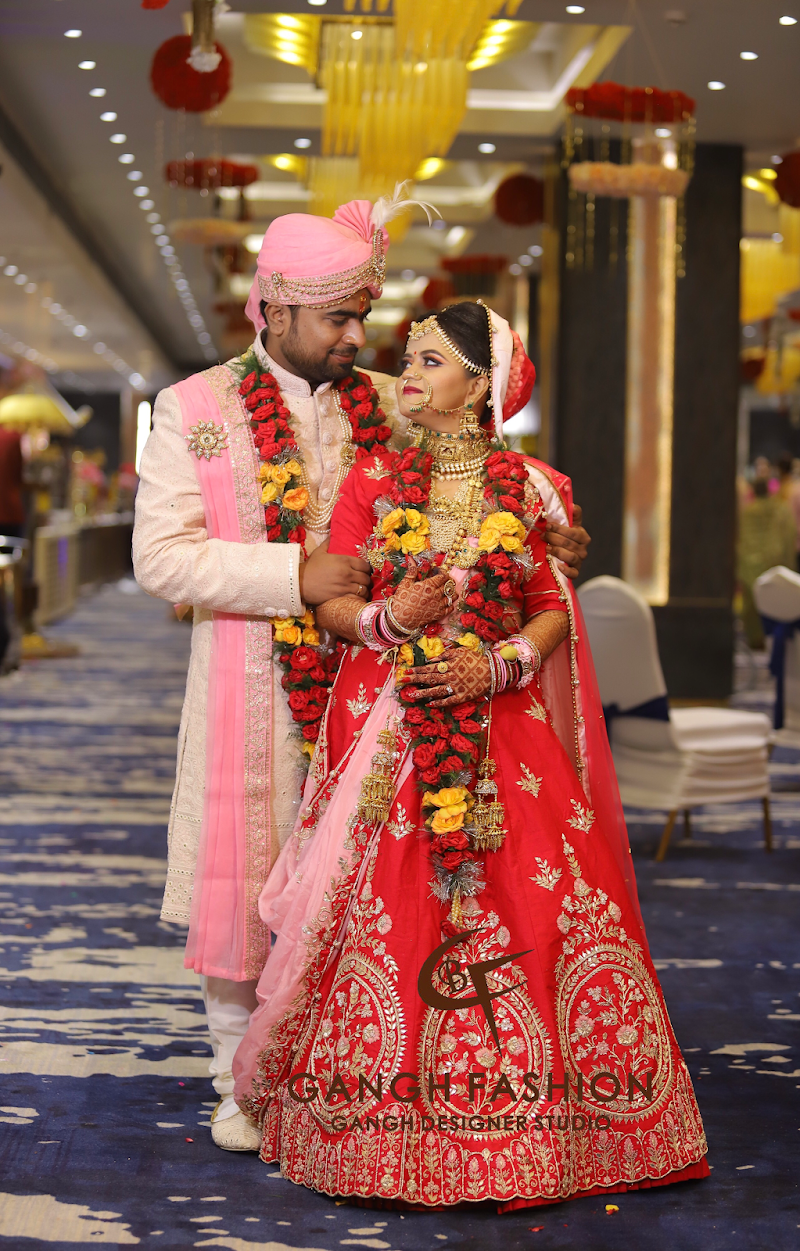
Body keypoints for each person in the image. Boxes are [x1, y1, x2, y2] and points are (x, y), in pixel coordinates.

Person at [132, 197, 591, 1152]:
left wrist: (547, 535)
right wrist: (292, 576)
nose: (356, 337)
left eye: (362, 317)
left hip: (389, 685)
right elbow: (160, 557)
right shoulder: (194, 408)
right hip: (251, 673)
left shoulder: (390, 397)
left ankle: (351, 1055)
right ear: (275, 309)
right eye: (337, 318)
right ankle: (236, 1074)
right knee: (247, 864)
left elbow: (481, 479)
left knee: (367, 872)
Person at [232, 302, 708, 1207]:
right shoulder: (375, 475)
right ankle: (379, 1117)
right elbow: (333, 600)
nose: (407, 374)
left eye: (430, 361)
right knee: (383, 903)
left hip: (505, 724)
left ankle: (544, 1125)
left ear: (480, 385)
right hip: (395, 722)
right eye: (408, 357)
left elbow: (551, 606)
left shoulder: (534, 487)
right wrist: (387, 619)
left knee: (536, 898)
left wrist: (498, 664)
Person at [737, 475, 797, 648]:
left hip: (749, 568)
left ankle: (757, 641)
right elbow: (787, 538)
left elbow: (742, 539)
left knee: (753, 607)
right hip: (774, 565)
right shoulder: (780, 510)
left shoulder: (748, 512)